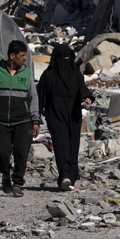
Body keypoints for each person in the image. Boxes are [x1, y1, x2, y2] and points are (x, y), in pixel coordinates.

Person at [0, 40, 40, 198]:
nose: (25, 59)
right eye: (22, 56)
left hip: (23, 121)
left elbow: (33, 98)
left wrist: (35, 121)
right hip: (0, 121)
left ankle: (17, 183)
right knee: (1, 152)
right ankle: (5, 174)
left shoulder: (26, 73)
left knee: (21, 153)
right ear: (12, 56)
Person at [37, 44, 93, 192]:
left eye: (68, 58)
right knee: (61, 145)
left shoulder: (75, 74)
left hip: (74, 115)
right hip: (55, 115)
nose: (65, 61)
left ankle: (71, 178)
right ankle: (65, 176)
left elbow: (82, 89)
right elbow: (40, 98)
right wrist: (35, 119)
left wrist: (86, 97)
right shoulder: (48, 76)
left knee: (73, 145)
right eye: (63, 58)